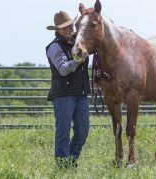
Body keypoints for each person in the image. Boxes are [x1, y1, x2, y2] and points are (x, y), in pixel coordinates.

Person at [45, 11, 91, 169]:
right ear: (57, 30)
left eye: (70, 26)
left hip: (81, 93)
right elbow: (63, 69)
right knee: (63, 131)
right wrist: (77, 61)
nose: (68, 29)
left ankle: (71, 159)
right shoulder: (54, 47)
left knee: (83, 129)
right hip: (63, 94)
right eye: (63, 27)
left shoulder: (79, 42)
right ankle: (61, 164)